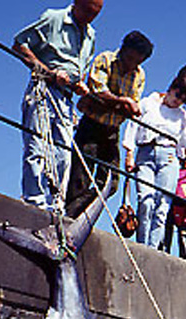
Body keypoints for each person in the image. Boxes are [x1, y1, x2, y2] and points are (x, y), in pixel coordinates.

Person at [13, 0, 103, 212]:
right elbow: (19, 44)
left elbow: (81, 65)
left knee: (63, 155)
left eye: (95, 14)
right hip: (43, 90)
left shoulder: (91, 35)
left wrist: (79, 84)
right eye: (87, 12)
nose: (89, 18)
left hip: (66, 99)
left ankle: (56, 206)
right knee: (37, 147)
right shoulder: (54, 18)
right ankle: (34, 201)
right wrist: (48, 72)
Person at [65, 31, 154, 218]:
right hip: (91, 126)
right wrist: (122, 101)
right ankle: (69, 218)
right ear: (123, 49)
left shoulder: (139, 75)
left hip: (112, 131)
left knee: (110, 183)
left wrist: (121, 104)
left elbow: (132, 104)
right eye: (130, 58)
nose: (132, 64)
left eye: (137, 61)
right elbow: (98, 91)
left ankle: (74, 214)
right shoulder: (105, 60)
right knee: (80, 178)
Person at [122, 74, 186, 249]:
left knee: (162, 206)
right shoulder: (150, 102)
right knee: (146, 200)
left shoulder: (182, 115)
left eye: (183, 99)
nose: (178, 101)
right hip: (146, 152)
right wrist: (129, 152)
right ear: (171, 89)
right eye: (177, 95)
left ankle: (152, 247)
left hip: (169, 155)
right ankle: (142, 244)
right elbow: (133, 125)